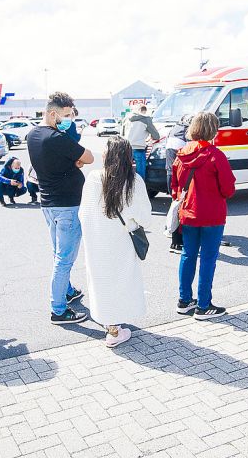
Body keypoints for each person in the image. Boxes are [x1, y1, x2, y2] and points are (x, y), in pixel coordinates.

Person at [27, 92, 95, 325]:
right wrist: (76, 160)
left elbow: (68, 159)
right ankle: (58, 310)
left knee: (58, 254)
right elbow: (90, 157)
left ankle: (66, 291)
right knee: (64, 260)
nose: (70, 120)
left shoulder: (33, 135)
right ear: (52, 113)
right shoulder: (57, 138)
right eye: (66, 116)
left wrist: (74, 160)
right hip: (67, 206)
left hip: (49, 204)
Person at [79, 137, 153, 347]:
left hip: (97, 243)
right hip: (122, 242)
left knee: (101, 282)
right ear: (128, 157)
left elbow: (84, 214)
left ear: (107, 156)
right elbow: (145, 217)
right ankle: (114, 330)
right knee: (122, 282)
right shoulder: (134, 181)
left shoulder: (94, 178)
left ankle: (110, 324)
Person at [171, 112, 235, 320]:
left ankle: (184, 300)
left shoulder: (182, 153)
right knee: (208, 259)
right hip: (212, 214)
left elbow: (175, 186)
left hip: (188, 213)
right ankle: (204, 304)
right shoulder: (216, 155)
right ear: (213, 130)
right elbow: (228, 189)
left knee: (188, 255)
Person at [165, 114, 193, 253]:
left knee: (176, 205)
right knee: (179, 208)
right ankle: (176, 241)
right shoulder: (185, 134)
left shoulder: (174, 130)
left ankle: (175, 238)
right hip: (179, 174)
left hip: (170, 172)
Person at [122, 105, 160, 179]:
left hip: (126, 148)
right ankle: (140, 189)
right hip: (139, 148)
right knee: (140, 176)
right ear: (145, 110)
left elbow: (122, 134)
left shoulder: (127, 119)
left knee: (125, 174)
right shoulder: (146, 119)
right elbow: (156, 136)